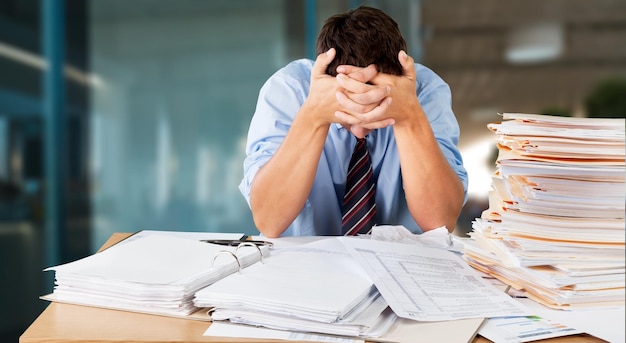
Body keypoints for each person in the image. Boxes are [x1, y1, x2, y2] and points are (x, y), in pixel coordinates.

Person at [239, 6, 467, 238]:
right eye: (348, 105)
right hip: (304, 265)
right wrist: (314, 116)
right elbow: (268, 220)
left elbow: (440, 222)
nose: (360, 128)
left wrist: (409, 116)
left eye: (375, 106)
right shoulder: (289, 90)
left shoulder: (425, 92)